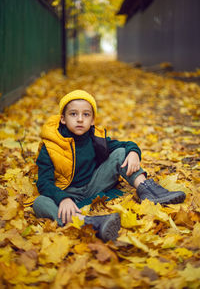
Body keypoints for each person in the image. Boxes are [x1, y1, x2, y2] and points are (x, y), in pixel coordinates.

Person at [33, 90, 186, 242]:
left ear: (92, 120)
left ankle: (148, 190)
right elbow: (44, 182)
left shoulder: (96, 138)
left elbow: (126, 145)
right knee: (40, 202)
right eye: (73, 114)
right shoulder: (50, 146)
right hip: (67, 194)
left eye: (86, 115)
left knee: (120, 152)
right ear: (63, 119)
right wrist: (63, 198)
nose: (80, 119)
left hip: (93, 185)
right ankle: (86, 222)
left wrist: (133, 153)